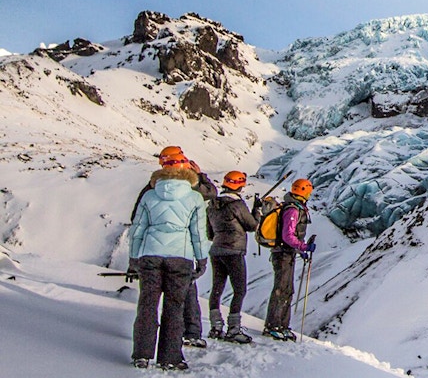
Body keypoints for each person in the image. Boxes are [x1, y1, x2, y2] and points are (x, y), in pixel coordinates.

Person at [130, 146, 218, 349]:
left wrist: (134, 257)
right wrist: (201, 258)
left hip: (151, 254)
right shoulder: (194, 193)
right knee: (176, 306)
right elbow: (199, 229)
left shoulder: (150, 191)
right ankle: (177, 347)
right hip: (181, 255)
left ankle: (142, 353)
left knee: (147, 306)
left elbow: (137, 225)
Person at [206, 170, 258, 343]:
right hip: (234, 251)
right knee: (239, 289)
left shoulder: (213, 206)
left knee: (217, 288)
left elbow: (209, 234)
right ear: (240, 185)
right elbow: (252, 225)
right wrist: (257, 211)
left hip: (216, 250)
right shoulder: (237, 205)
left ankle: (215, 326)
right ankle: (233, 329)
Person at [263, 178, 316, 342]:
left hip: (285, 253)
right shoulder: (293, 210)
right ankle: (274, 325)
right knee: (282, 289)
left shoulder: (293, 207)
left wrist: (299, 249)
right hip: (283, 254)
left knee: (286, 289)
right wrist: (303, 247)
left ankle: (281, 325)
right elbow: (288, 236)